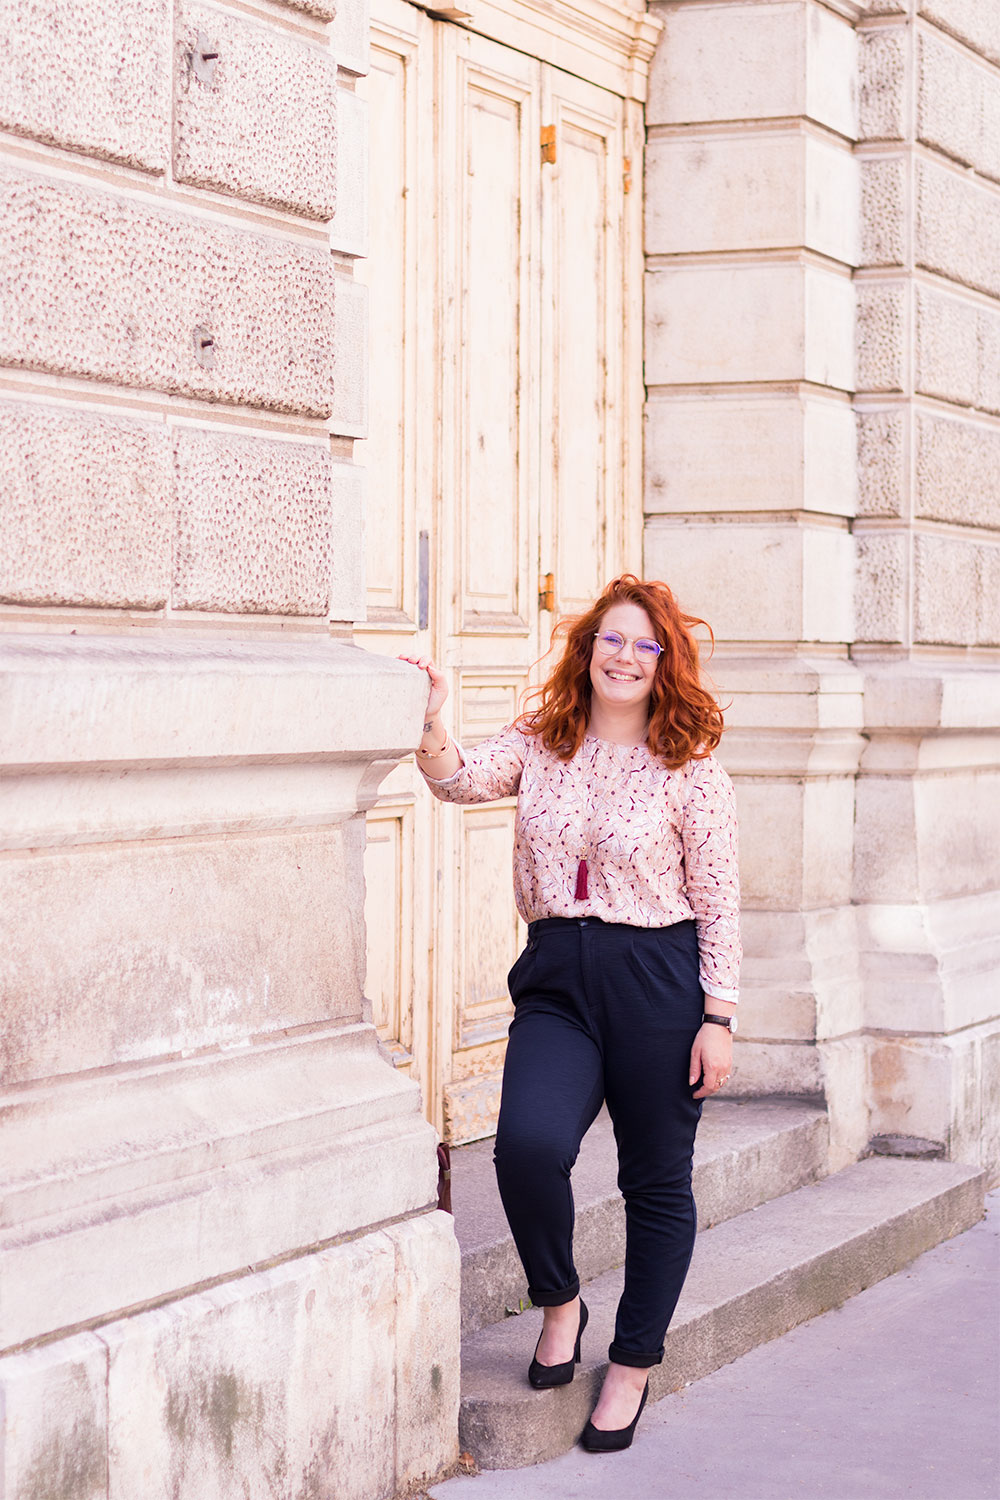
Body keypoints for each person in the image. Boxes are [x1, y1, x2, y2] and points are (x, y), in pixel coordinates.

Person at [400, 574, 740, 1453]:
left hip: (658, 981)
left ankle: (631, 1361)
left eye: (644, 645)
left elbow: (721, 899)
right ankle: (560, 1301)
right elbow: (458, 782)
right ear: (588, 652)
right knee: (528, 1147)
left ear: (665, 664)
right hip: (557, 974)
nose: (624, 657)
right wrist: (433, 714)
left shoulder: (692, 767)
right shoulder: (545, 741)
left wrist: (720, 1016)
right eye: (611, 641)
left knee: (655, 1182)